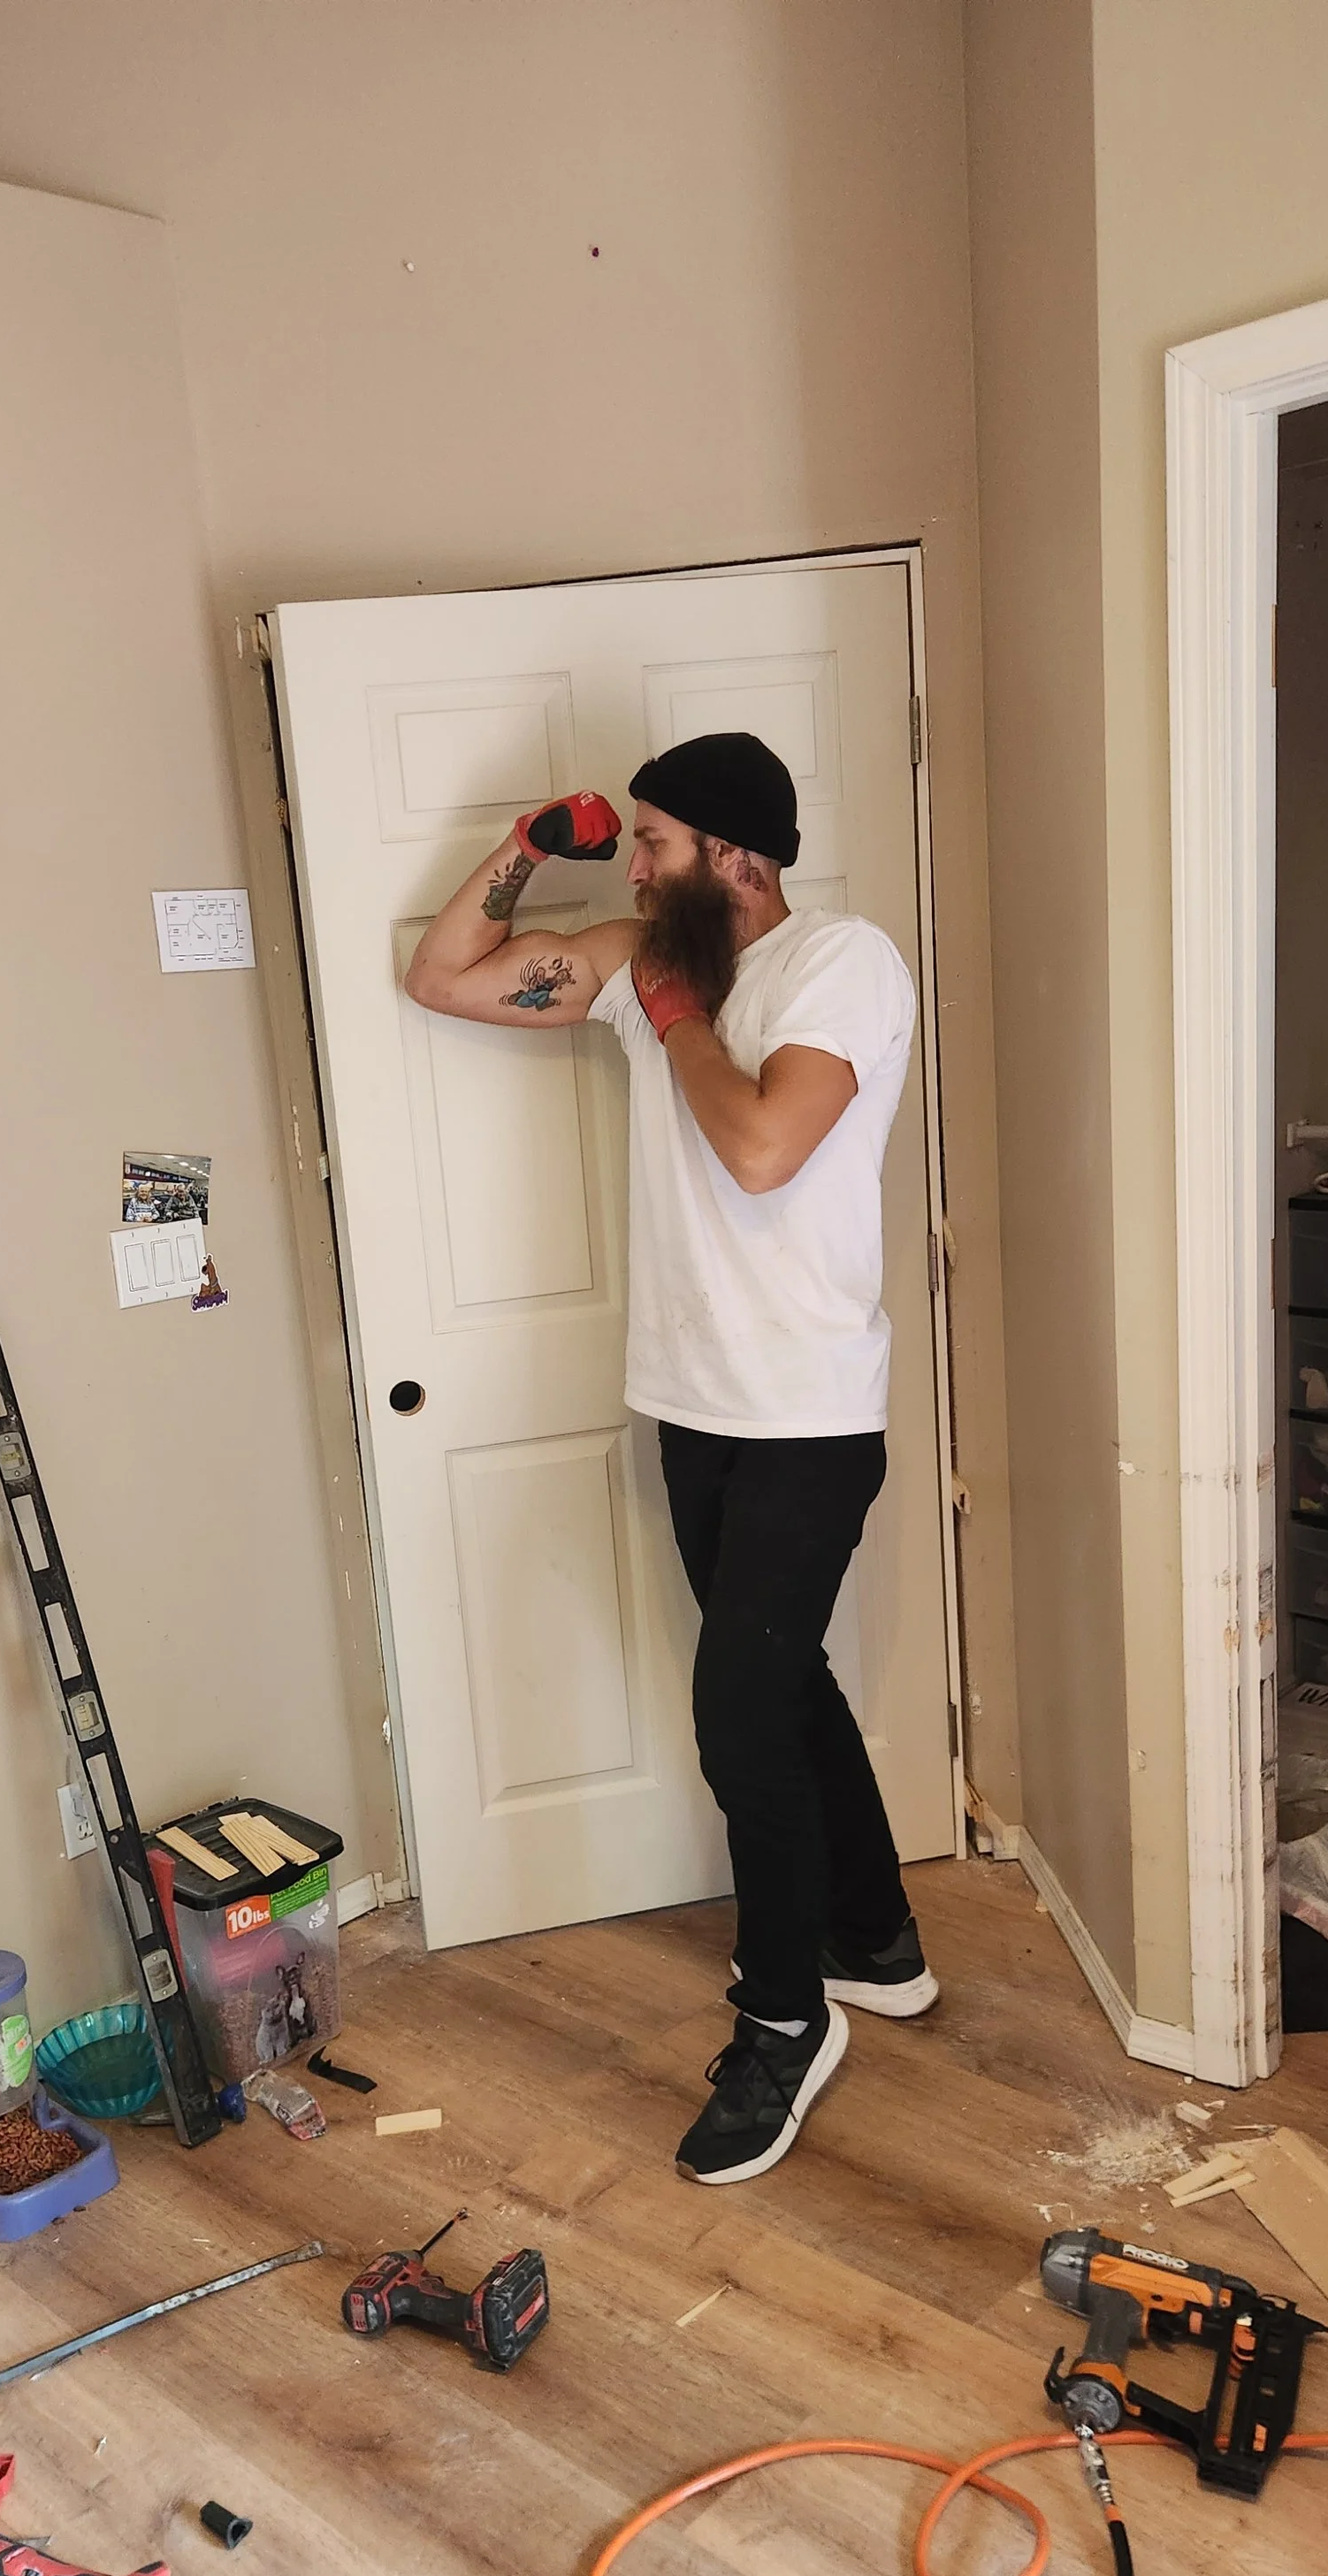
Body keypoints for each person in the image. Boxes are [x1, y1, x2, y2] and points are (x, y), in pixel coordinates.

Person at [402, 731, 936, 2184]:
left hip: (809, 1414)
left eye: (653, 842)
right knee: (786, 1681)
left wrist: (680, 1017)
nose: (633, 869)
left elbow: (764, 1148)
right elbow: (442, 977)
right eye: (629, 840)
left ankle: (786, 2018)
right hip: (690, 1405)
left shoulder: (838, 963)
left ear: (737, 855)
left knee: (740, 1722)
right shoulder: (650, 960)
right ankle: (877, 1940)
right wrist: (529, 844)